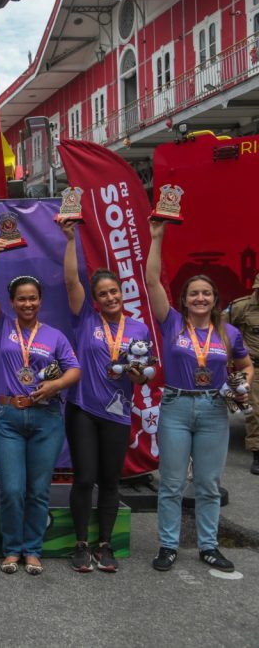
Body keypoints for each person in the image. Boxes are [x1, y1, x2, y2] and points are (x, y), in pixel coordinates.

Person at [146, 220, 253, 573]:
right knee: (172, 483)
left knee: (208, 484)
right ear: (184, 299)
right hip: (176, 406)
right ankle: (168, 545)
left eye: (206, 293)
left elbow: (245, 365)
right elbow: (151, 282)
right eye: (194, 293)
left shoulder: (230, 332)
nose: (200, 298)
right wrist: (157, 238)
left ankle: (209, 546)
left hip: (213, 409)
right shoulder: (171, 322)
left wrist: (243, 383)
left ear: (215, 299)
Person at [0, 242, 81, 576]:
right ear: (12, 302)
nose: (27, 303)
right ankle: (11, 549)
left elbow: (74, 370)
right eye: (21, 298)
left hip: (46, 418)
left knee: (38, 490)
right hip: (9, 417)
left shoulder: (54, 336)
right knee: (11, 489)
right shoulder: (2, 327)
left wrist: (55, 385)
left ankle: (32, 550)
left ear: (40, 301)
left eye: (32, 298)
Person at [58, 217, 151, 573]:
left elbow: (144, 375)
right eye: (103, 294)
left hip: (118, 413)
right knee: (84, 478)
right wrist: (70, 239)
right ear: (94, 300)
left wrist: (137, 375)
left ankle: (105, 544)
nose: (110, 297)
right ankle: (81, 545)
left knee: (110, 480)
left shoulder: (139, 328)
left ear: (122, 293)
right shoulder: (85, 320)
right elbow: (70, 280)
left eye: (114, 291)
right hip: (83, 408)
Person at [228, 271, 259, 475]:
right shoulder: (241, 307)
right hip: (254, 366)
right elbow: (225, 330)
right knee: (255, 411)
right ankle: (257, 453)